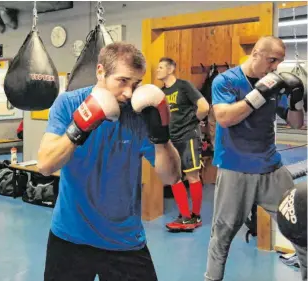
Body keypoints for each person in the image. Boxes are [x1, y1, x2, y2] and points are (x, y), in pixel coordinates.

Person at [37, 42, 182, 281]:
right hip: (70, 235)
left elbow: (171, 177)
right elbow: (45, 165)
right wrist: (80, 126)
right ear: (101, 72)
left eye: (136, 84)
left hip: (124, 240)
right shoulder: (69, 104)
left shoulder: (140, 115)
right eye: (122, 81)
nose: (128, 93)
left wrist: (161, 137)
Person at [205, 36, 306, 281]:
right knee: (223, 235)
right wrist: (259, 94)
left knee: (303, 228)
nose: (275, 67)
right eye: (272, 60)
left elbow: (296, 124)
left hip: (271, 169)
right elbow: (225, 118)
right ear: (257, 54)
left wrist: (297, 99)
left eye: (279, 62)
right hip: (234, 169)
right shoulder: (226, 81)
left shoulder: (276, 83)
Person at [156, 57, 210, 231]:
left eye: (161, 67)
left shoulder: (183, 86)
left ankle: (195, 216)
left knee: (192, 176)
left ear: (171, 69)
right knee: (174, 177)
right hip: (171, 140)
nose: (157, 70)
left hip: (188, 137)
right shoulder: (159, 92)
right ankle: (185, 216)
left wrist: (192, 122)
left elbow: (204, 106)